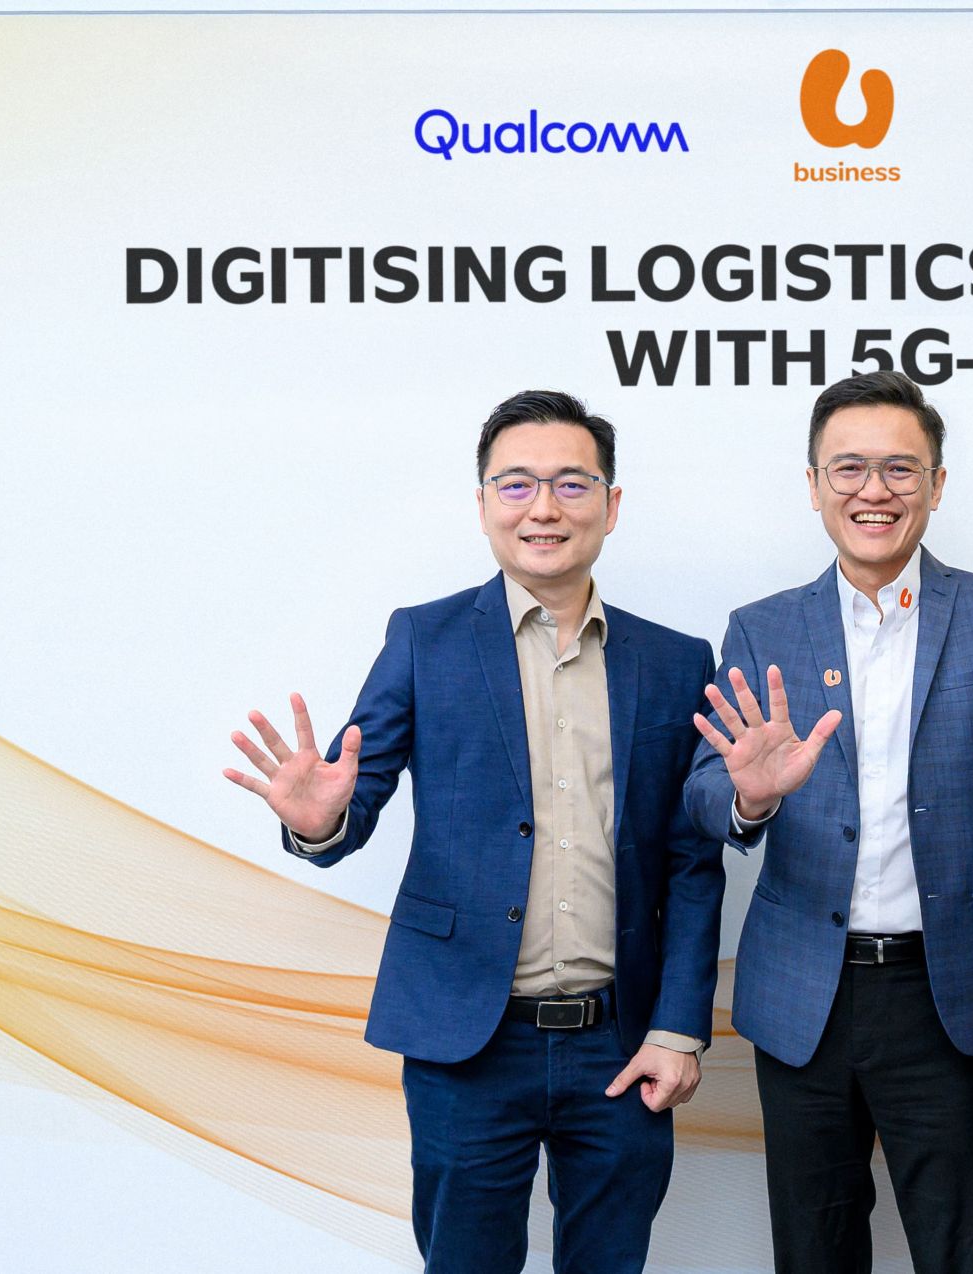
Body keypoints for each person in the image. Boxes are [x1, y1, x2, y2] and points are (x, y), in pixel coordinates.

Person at [220, 390, 722, 1274]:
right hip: (467, 1042)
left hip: (621, 1042)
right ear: (484, 502)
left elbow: (691, 862)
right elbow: (354, 797)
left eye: (572, 484)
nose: (544, 507)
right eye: (517, 483)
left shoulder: (677, 661)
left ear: (611, 505)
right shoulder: (426, 640)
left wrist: (678, 1029)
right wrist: (323, 823)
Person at [683, 370, 973, 1274]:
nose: (875, 491)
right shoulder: (761, 627)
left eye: (901, 469)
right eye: (849, 468)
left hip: (955, 995)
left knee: (960, 1253)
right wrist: (752, 796)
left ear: (936, 484)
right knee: (814, 1254)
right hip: (804, 997)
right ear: (814, 483)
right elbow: (705, 795)